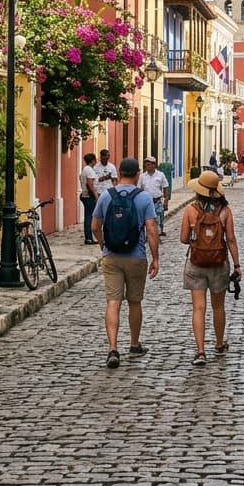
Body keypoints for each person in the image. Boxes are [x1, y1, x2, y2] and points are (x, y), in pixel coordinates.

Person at [92, 157, 159, 370]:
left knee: (113, 302)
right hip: (136, 256)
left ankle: (112, 348)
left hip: (111, 256)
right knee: (135, 302)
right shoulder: (144, 198)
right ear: (138, 174)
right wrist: (155, 257)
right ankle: (134, 343)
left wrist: (103, 245)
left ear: (119, 173)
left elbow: (95, 226)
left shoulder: (105, 196)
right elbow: (151, 229)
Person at [180, 170, 241, 367]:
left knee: (198, 308)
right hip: (219, 262)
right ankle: (220, 343)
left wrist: (198, 240)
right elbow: (230, 239)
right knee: (218, 307)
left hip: (196, 263)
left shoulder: (191, 210)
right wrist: (237, 265)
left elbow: (182, 239)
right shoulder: (225, 211)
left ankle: (200, 351)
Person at [138, 155, 170, 237]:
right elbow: (139, 189)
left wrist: (166, 200)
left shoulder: (160, 175)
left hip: (157, 201)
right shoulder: (142, 176)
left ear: (154, 165)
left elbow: (165, 187)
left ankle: (158, 234)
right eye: (146, 164)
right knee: (147, 219)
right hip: (146, 202)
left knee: (159, 218)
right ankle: (148, 235)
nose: (147, 166)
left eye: (149, 164)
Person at [79, 153, 99, 245]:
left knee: (88, 216)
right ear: (92, 161)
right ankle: (89, 238)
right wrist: (96, 196)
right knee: (89, 217)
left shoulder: (85, 169)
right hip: (88, 195)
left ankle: (89, 237)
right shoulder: (89, 170)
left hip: (84, 194)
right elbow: (90, 184)